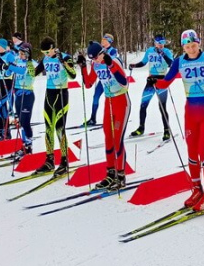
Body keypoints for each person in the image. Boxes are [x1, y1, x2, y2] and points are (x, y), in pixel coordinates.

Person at [153, 29, 204, 211]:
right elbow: (166, 81)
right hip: (191, 112)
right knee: (191, 153)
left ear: (199, 43)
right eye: (187, 46)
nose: (191, 49)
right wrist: (154, 81)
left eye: (194, 45)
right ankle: (196, 188)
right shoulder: (180, 61)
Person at [77, 41, 131, 190]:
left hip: (121, 102)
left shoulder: (114, 61)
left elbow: (124, 82)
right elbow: (88, 84)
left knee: (117, 139)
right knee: (108, 138)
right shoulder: (95, 65)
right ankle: (110, 174)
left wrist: (111, 66)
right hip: (109, 102)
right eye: (91, 59)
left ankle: (121, 176)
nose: (94, 61)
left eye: (96, 58)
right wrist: (83, 67)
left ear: (102, 53)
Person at [33, 37, 77, 175]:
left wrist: (63, 62)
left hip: (61, 94)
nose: (45, 54)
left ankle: (64, 161)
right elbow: (33, 73)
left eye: (47, 51)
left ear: (53, 48)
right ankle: (49, 160)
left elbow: (73, 75)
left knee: (59, 129)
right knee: (48, 129)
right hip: (49, 95)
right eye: (43, 52)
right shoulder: (45, 59)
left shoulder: (65, 57)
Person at [128, 34, 173, 141]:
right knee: (143, 105)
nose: (161, 45)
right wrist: (134, 65)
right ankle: (141, 128)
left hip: (162, 80)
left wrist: (162, 54)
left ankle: (166, 130)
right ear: (155, 43)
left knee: (162, 106)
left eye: (162, 43)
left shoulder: (167, 52)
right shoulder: (149, 51)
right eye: (159, 43)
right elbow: (143, 63)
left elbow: (171, 63)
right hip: (150, 81)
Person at [7, 42, 37, 159]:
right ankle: (24, 146)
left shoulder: (32, 64)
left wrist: (10, 66)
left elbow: (23, 72)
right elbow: (8, 73)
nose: (20, 56)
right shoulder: (18, 61)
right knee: (20, 122)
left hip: (28, 94)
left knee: (25, 122)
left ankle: (29, 147)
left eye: (22, 53)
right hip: (18, 95)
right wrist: (6, 67)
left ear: (28, 54)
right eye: (19, 53)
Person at [86, 33, 120, 126]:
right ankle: (93, 118)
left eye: (104, 40)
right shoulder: (99, 50)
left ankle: (114, 118)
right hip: (102, 79)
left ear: (109, 42)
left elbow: (112, 60)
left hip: (111, 79)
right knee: (95, 96)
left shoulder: (113, 51)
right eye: (102, 40)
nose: (102, 42)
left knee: (111, 98)